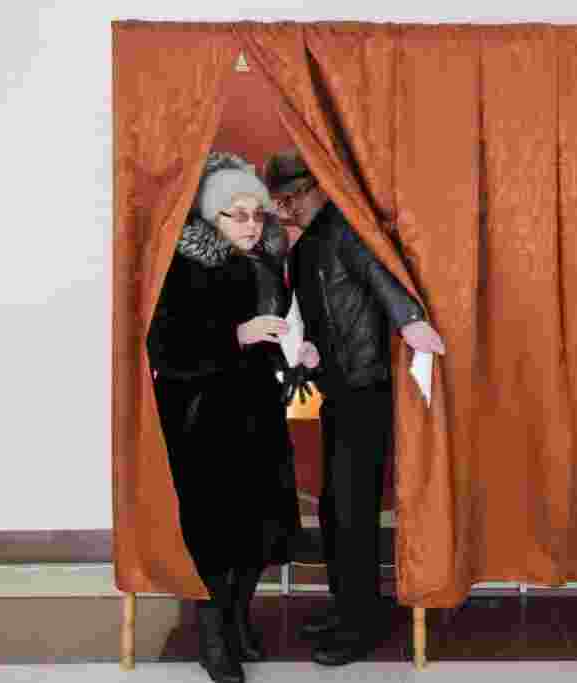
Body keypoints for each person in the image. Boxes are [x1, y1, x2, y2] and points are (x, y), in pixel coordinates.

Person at [264, 149, 445, 667]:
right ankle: (350, 607)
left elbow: (377, 273)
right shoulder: (306, 246)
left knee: (351, 510)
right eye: (281, 201)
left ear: (318, 186)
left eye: (293, 198)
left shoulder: (344, 227)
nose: (288, 210)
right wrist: (305, 349)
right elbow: (310, 314)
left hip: (365, 389)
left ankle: (360, 622)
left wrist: (410, 320)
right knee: (336, 507)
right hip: (338, 390)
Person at [147, 152, 319, 683]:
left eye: (256, 214)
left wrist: (295, 351)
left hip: (254, 410)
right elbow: (165, 349)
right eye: (237, 215)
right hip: (203, 420)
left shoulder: (262, 261)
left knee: (257, 529)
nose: (251, 225)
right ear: (210, 215)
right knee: (215, 536)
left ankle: (238, 619)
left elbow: (276, 326)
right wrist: (236, 336)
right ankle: (214, 637)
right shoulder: (181, 266)